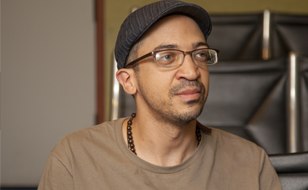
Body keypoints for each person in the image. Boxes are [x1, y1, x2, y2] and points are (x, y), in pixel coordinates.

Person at [38, 0, 281, 189]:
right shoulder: (75, 159)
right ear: (128, 81)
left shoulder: (250, 165)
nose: (192, 71)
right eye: (167, 57)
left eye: (199, 54)